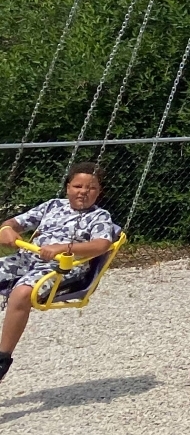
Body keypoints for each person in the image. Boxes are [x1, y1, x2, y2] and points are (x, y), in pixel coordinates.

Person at [0, 162, 120, 381]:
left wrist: (64, 248)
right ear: (68, 188)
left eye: (91, 188)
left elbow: (102, 244)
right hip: (28, 258)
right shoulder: (52, 205)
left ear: (98, 192)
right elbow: (14, 222)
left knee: (22, 293)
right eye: (77, 186)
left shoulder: (99, 216)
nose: (83, 192)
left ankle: (2, 358)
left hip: (62, 268)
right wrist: (7, 230)